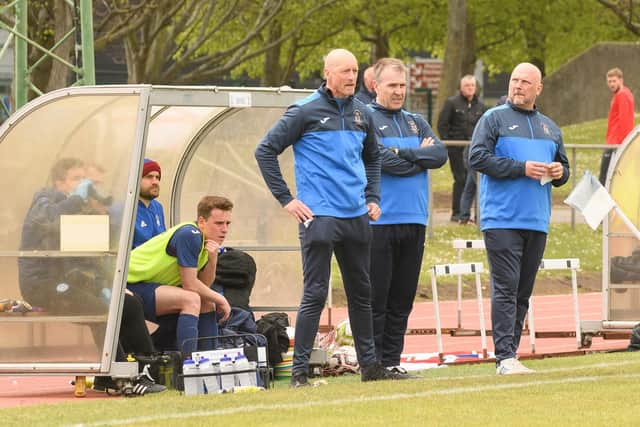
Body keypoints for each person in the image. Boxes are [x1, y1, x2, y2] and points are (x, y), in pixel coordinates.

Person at [255, 48, 406, 386]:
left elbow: (373, 158)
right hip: (319, 216)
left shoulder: (362, 113)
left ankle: (371, 369)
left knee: (362, 294)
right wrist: (287, 200)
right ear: (327, 73)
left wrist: (372, 196)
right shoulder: (304, 111)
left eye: (355, 71)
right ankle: (298, 374)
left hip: (356, 216)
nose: (351, 77)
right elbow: (265, 150)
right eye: (344, 71)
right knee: (314, 294)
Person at [469, 62, 570, 375]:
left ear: (538, 88)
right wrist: (520, 168)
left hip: (536, 219)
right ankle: (504, 357)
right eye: (514, 80)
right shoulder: (493, 118)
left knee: (522, 291)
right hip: (501, 218)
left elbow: (564, 170)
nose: (518, 86)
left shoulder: (550, 127)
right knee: (506, 286)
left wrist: (559, 172)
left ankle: (511, 354)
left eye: (526, 82)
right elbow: (477, 158)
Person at [367, 58, 447, 371]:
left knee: (402, 299)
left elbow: (439, 155)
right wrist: (418, 157)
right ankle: (372, 363)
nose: (399, 91)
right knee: (378, 298)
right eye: (392, 85)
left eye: (402, 85)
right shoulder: (366, 118)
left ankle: (391, 361)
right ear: (376, 86)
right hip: (380, 221)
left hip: (414, 220)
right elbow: (381, 160)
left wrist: (404, 153)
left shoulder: (415, 121)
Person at [126, 195, 232, 354]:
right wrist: (220, 298)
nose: (224, 229)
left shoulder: (205, 242)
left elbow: (204, 285)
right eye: (218, 223)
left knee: (206, 302)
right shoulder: (190, 234)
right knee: (191, 299)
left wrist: (212, 259)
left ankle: (209, 363)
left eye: (227, 223)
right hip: (127, 285)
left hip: (149, 286)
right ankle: (187, 365)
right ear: (202, 222)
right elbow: (190, 285)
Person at [19, 158, 109, 314]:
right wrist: (77, 199)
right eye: (76, 179)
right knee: (102, 311)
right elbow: (49, 219)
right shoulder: (44, 199)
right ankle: (112, 339)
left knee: (124, 305)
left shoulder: (73, 206)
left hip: (64, 280)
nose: (82, 184)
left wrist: (101, 286)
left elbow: (87, 254)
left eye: (83, 178)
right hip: (40, 285)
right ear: (59, 183)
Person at [437, 75, 486, 222]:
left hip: (474, 149)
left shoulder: (480, 105)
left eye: (472, 85)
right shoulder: (452, 103)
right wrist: (450, 142)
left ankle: (473, 215)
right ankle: (457, 213)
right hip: (457, 149)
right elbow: (442, 124)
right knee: (460, 179)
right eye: (467, 85)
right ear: (461, 87)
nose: (470, 88)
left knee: (474, 181)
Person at [599, 67, 635, 185]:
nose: (611, 84)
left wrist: (621, 145)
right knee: (611, 177)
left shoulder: (622, 95)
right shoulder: (624, 93)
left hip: (615, 144)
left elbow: (625, 122)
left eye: (614, 81)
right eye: (609, 81)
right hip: (615, 143)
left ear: (621, 80)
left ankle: (604, 203)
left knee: (605, 178)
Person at [133, 158, 166, 248]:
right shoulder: (127, 209)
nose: (155, 182)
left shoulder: (158, 207)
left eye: (157, 177)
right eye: (149, 177)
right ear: (135, 180)